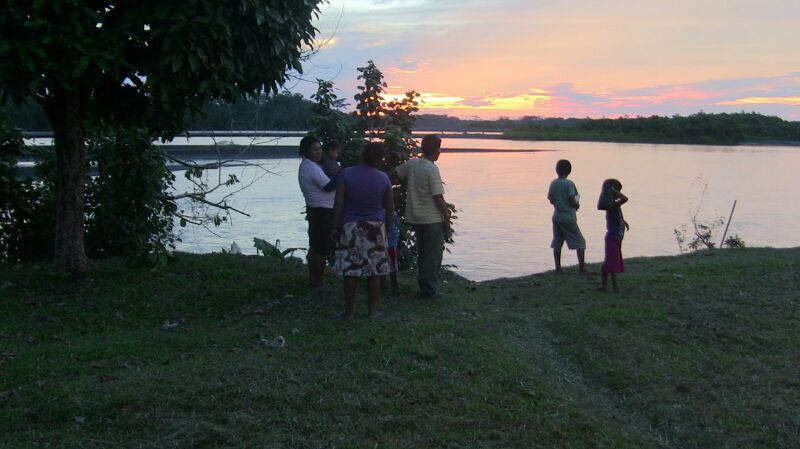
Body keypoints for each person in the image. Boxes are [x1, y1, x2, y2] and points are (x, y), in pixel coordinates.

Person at [331, 142, 394, 320]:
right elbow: (389, 208)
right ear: (379, 159)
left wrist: (335, 227)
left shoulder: (347, 174)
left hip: (351, 226)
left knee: (351, 272)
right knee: (374, 272)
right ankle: (372, 311)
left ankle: (349, 312)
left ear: (362, 154)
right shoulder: (383, 178)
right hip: (375, 228)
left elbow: (338, 203)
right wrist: (387, 230)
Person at [391, 134, 450, 299]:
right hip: (431, 219)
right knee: (432, 255)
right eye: (439, 149)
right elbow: (438, 197)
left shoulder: (412, 164)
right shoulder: (432, 169)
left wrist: (396, 190)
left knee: (423, 253)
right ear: (436, 150)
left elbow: (392, 176)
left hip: (415, 218)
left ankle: (425, 286)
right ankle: (428, 291)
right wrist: (446, 218)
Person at [297, 135, 336, 289]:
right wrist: (343, 175)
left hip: (317, 209)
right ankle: (318, 282)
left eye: (320, 149)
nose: (318, 152)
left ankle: (314, 279)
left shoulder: (310, 165)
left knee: (315, 246)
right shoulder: (311, 167)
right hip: (322, 211)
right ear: (306, 151)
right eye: (314, 149)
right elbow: (328, 186)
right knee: (321, 249)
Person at [547, 159, 588, 274]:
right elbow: (572, 199)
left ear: (556, 170)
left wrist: (559, 203)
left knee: (557, 242)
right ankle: (582, 268)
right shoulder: (569, 184)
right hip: (568, 217)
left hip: (556, 216)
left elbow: (550, 199)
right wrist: (577, 205)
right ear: (569, 171)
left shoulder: (553, 183)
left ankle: (558, 268)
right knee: (580, 241)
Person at [598, 178, 630, 292]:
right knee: (612, 264)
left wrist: (623, 221)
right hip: (613, 238)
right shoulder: (611, 205)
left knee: (609, 262)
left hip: (615, 238)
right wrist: (612, 190)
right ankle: (615, 287)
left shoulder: (614, 205)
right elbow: (625, 198)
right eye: (618, 191)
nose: (618, 194)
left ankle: (604, 286)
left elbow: (617, 217)